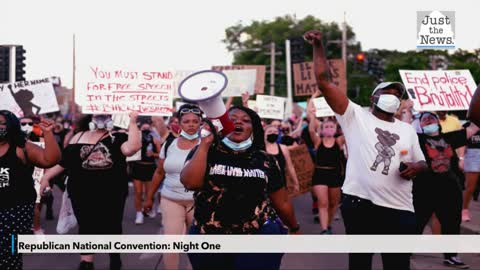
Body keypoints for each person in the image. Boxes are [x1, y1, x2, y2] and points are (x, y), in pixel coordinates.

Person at [305, 30, 427, 270]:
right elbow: (324, 81)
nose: (393, 98)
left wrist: (416, 167)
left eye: (397, 95)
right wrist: (319, 45)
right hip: (361, 205)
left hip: (400, 208)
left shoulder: (407, 129)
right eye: (387, 93)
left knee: (398, 264)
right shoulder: (354, 116)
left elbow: (422, 162)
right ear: (373, 98)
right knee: (360, 262)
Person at [180, 105, 300, 270]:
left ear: (253, 128)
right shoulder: (204, 151)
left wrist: (294, 227)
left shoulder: (266, 160)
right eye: (232, 120)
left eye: (245, 121)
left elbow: (282, 202)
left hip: (259, 237)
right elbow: (190, 183)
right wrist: (205, 143)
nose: (238, 123)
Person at [40, 112, 141, 270]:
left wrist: (133, 122)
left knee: (112, 226)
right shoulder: (78, 136)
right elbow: (64, 161)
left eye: (105, 115)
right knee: (86, 225)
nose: (101, 118)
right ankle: (86, 262)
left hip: (111, 192)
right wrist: (46, 177)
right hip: (81, 191)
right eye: (98, 115)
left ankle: (114, 257)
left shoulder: (119, 136)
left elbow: (132, 149)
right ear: (91, 116)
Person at [413, 112, 479, 269]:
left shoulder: (450, 138)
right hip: (424, 190)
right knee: (416, 222)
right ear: (420, 125)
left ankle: (451, 256)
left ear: (438, 122)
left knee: (452, 223)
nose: (428, 120)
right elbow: (400, 128)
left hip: (450, 190)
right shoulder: (417, 139)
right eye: (424, 119)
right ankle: (406, 249)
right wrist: (407, 110)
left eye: (431, 118)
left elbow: (474, 128)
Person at [0, 110, 61, 270]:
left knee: (8, 255)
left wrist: (47, 134)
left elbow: (50, 159)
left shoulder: (21, 147)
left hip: (15, 210)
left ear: (11, 126)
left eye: (1, 123)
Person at [144, 104, 202, 270]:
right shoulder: (169, 145)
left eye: (195, 121)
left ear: (200, 123)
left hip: (198, 202)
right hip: (170, 199)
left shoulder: (208, 145)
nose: (191, 124)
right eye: (186, 121)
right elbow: (159, 172)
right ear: (179, 123)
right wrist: (149, 198)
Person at [307, 95, 346, 234]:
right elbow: (311, 130)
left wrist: (340, 114)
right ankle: (324, 230)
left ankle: (328, 225)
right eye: (326, 126)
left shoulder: (339, 141)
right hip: (320, 174)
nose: (329, 128)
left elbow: (348, 129)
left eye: (331, 126)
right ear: (322, 129)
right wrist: (312, 117)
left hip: (335, 174)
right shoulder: (318, 141)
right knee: (323, 203)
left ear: (336, 129)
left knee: (333, 203)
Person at [131, 121, 158, 224]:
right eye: (143, 128)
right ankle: (139, 213)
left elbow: (160, 153)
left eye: (148, 128)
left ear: (151, 128)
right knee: (138, 192)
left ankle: (148, 209)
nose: (145, 130)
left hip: (150, 167)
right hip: (138, 166)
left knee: (149, 193)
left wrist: (153, 154)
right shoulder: (136, 137)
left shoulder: (155, 138)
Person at [264, 124, 300, 190]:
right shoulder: (260, 149)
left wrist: (296, 182)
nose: (273, 133)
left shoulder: (283, 148)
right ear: (264, 134)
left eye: (275, 132)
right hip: (264, 185)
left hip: (281, 183)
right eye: (270, 132)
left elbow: (290, 166)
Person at [462, 121, 480, 222]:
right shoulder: (467, 125)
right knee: (471, 187)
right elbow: (461, 142)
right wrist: (461, 158)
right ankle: (464, 209)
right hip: (472, 153)